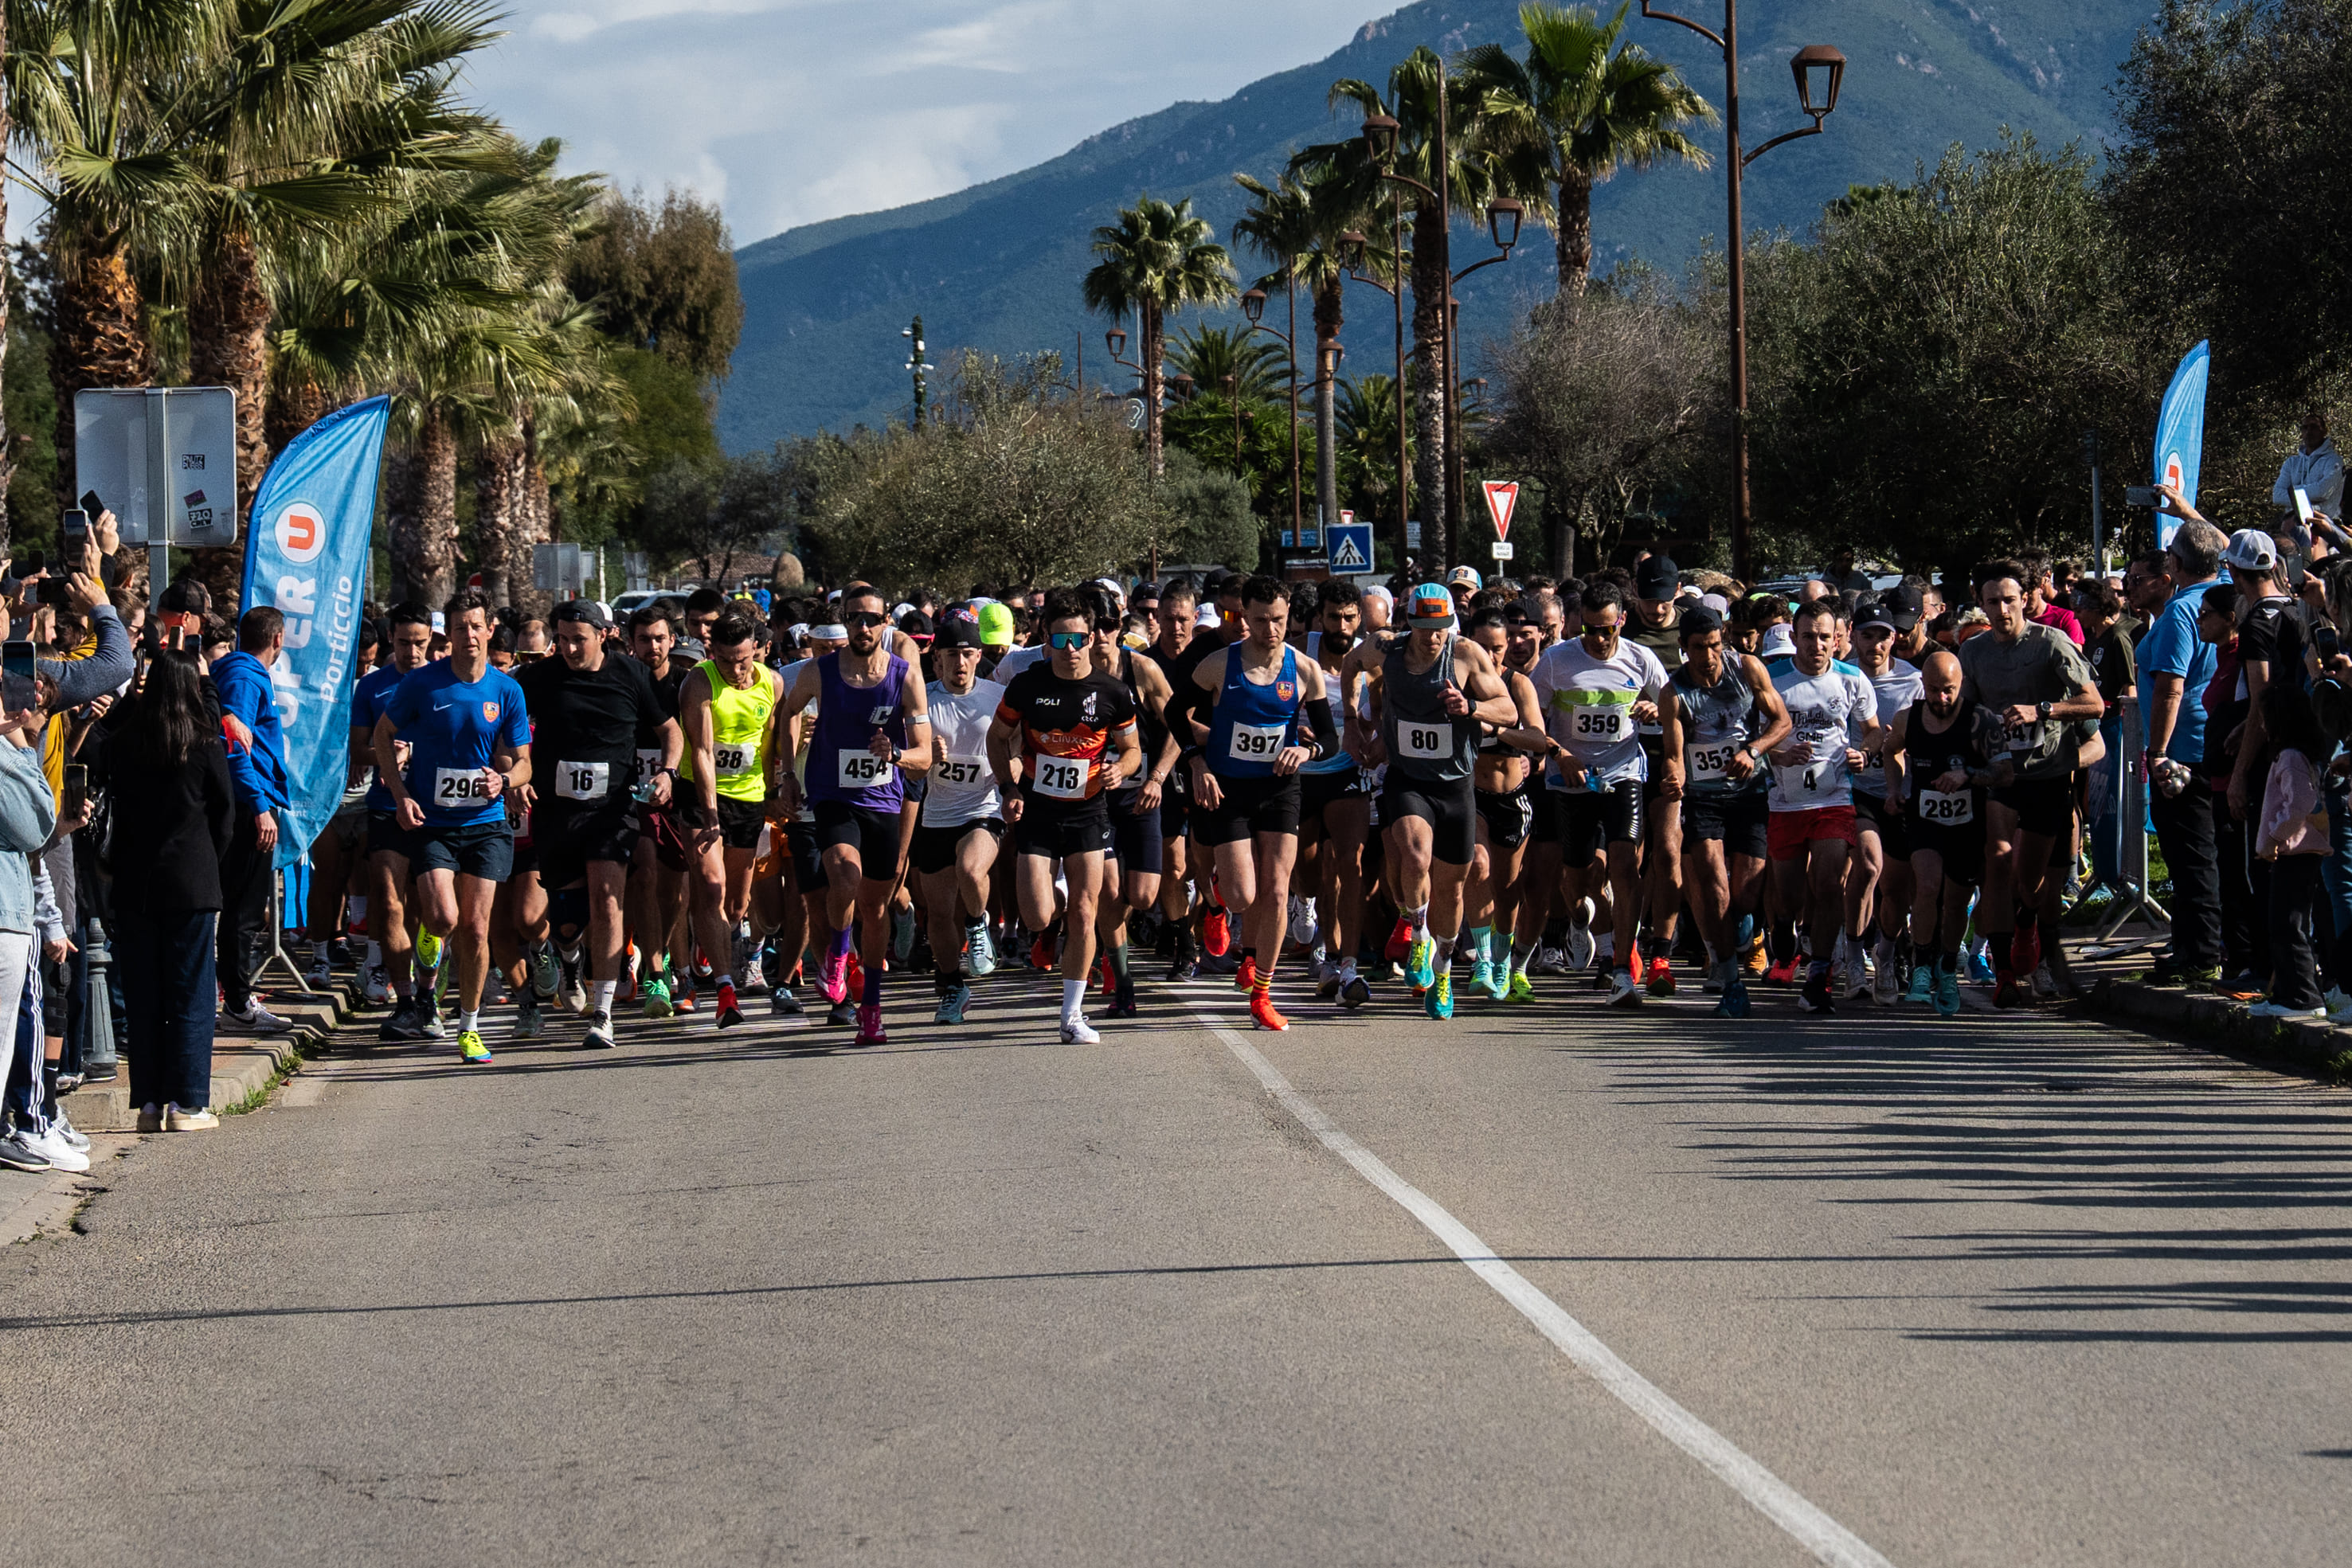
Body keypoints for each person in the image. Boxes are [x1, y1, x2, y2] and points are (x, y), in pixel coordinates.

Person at [1169, 575, 1338, 1030]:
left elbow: (1329, 735)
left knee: (1277, 890)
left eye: (1279, 620)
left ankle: (1262, 991)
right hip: (1229, 788)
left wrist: (1308, 751)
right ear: (1244, 616)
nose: (1271, 629)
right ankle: (1219, 905)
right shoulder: (1218, 665)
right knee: (1245, 895)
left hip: (1280, 787)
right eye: (1261, 620)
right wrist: (1197, 763)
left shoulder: (1304, 669)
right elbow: (1173, 713)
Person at [370, 591, 532, 1064]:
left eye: (475, 627)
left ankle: (469, 1025)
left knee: (477, 929)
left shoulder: (507, 690)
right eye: (459, 628)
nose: (468, 636)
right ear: (450, 635)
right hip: (435, 823)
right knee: (443, 919)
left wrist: (502, 780)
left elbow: (524, 764)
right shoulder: (423, 684)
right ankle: (430, 940)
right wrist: (401, 797)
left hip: (485, 823)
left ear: (489, 631)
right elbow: (383, 736)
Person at [515, 600, 679, 1050]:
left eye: (578, 639)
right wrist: (514, 772)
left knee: (609, 900)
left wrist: (668, 771)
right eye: (562, 639)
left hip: (612, 810)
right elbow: (507, 726)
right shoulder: (538, 678)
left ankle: (604, 1014)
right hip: (556, 812)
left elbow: (670, 730)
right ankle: (569, 959)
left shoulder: (630, 674)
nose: (568, 648)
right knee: (567, 924)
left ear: (603, 635)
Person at [775, 588, 931, 1046]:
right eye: (854, 620)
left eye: (871, 620)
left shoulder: (904, 677)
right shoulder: (819, 671)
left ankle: (872, 1007)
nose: (863, 628)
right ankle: (839, 956)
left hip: (882, 800)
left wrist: (897, 753)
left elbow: (923, 757)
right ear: (845, 623)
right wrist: (788, 773)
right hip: (831, 796)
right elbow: (789, 712)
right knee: (844, 871)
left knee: (876, 906)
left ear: (886, 623)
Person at [987, 588, 1143, 1043]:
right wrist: (1008, 787)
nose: (1069, 650)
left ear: (1092, 638)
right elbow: (998, 739)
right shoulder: (1028, 686)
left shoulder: (1112, 692)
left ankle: (1072, 1016)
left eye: (1077, 640)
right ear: (1045, 639)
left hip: (1089, 812)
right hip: (1037, 809)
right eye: (1059, 641)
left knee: (1086, 910)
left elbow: (1132, 750)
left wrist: (1121, 769)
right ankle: (1050, 901)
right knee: (1037, 917)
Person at [1363, 584, 1516, 1019]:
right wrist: (1362, 726)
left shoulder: (1466, 654)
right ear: (1409, 622)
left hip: (1455, 787)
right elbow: (1353, 666)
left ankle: (1444, 968)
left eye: (1442, 628)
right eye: (1426, 628)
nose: (1434, 637)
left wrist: (1470, 706)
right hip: (1408, 779)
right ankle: (1417, 935)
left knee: (1450, 888)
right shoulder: (1386, 648)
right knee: (1413, 854)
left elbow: (1508, 711)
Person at [1959, 561, 2104, 1007]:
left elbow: (2094, 703)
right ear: (1980, 605)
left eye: (2009, 599)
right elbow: (1967, 712)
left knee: (2031, 882)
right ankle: (2004, 971)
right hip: (2001, 775)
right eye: (1992, 602)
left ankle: (2027, 925)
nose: (2002, 609)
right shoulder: (1975, 652)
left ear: (2025, 599)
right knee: (1998, 862)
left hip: (2047, 775)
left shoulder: (2051, 642)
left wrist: (2041, 710)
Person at [100, 651, 233, 1132]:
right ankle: (189, 1102)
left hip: (135, 883)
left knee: (144, 994)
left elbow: (99, 753)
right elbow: (224, 816)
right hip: (193, 880)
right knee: (192, 993)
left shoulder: (125, 742)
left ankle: (151, 1103)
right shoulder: (203, 742)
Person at [1532, 579, 1680, 1007]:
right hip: (1571, 780)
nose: (1598, 639)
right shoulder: (1557, 662)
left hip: (1623, 772)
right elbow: (1531, 720)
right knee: (1577, 880)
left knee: (1623, 861)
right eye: (1590, 630)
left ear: (1622, 622)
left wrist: (1657, 709)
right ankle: (1581, 920)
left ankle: (1621, 968)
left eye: (1607, 629)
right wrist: (1559, 755)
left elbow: (1674, 710)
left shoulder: (1641, 659)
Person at [1666, 604, 1790, 1017]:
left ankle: (1742, 934)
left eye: (1715, 645)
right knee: (1714, 881)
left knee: (1746, 892)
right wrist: (1675, 777)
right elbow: (1674, 753)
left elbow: (1782, 722)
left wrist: (1753, 751)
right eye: (1699, 647)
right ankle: (1731, 982)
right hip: (1705, 799)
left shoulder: (1748, 669)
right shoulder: (1674, 693)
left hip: (1749, 792)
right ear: (1685, 648)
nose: (1709, 655)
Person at [1765, 598, 1880, 1014]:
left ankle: (1818, 975)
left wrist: (1863, 753)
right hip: (1786, 801)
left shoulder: (1852, 680)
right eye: (1809, 637)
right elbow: (1755, 738)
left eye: (1825, 637)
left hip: (1834, 797)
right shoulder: (1775, 680)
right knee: (1790, 895)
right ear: (1794, 638)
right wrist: (1776, 755)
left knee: (1830, 884)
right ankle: (1783, 926)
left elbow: (1873, 731)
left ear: (1839, 639)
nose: (1817, 645)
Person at [2139, 499, 2232, 988]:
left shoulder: (2182, 611)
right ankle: (2203, 944)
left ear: (2174, 566)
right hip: (2212, 736)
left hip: (2185, 746)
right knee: (2208, 851)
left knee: (2190, 853)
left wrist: (2157, 751)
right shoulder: (2227, 591)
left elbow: (2171, 685)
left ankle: (2201, 952)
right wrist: (2185, 510)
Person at [683, 609, 787, 1032]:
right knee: (710, 887)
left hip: (749, 798)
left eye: (743, 659)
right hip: (702, 796)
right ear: (713, 653)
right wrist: (709, 809)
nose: (735, 669)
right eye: (726, 660)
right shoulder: (699, 682)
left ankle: (711, 947)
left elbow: (772, 746)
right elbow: (704, 751)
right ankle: (726, 990)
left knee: (736, 904)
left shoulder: (772, 683)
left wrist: (775, 792)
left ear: (757, 650)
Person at [1881, 649, 1991, 1018]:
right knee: (1927, 886)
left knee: (1957, 901)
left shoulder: (1978, 721)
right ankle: (1922, 964)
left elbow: (2005, 772)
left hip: (1968, 822)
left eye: (1949, 690)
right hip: (1925, 817)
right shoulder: (1908, 719)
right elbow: (1891, 750)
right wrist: (1895, 789)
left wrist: (1969, 775)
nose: (1941, 699)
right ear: (1922, 686)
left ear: (1961, 685)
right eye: (1933, 690)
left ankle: (1947, 963)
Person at [914, 608, 1005, 1025]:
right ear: (937, 659)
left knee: (971, 870)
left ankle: (977, 924)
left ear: (979, 654)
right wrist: (923, 756)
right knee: (936, 914)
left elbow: (1018, 750)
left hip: (983, 808)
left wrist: (1015, 784)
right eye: (951, 654)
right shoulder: (923, 701)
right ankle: (953, 987)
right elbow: (906, 758)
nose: (960, 662)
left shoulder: (997, 697)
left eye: (968, 653)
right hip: (935, 815)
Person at [1090, 589, 1178, 1019]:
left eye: (1110, 626)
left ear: (1119, 628)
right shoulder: (1068, 675)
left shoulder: (1142, 670)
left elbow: (1177, 727)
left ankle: (1107, 936)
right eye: (1094, 627)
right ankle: (1123, 982)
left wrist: (1158, 777)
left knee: (1142, 896)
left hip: (1141, 795)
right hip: (1092, 802)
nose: (1102, 635)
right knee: (1108, 890)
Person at [208, 607, 295, 1035]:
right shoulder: (244, 675)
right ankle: (238, 1004)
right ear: (277, 640)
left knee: (244, 906)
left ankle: (234, 997)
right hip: (247, 806)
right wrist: (260, 806)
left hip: (252, 800)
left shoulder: (243, 672)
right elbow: (234, 742)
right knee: (242, 908)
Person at [353, 604, 435, 1034]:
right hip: (387, 807)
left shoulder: (447, 682)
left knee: (432, 913)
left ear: (432, 640)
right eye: (404, 643)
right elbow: (359, 749)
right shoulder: (372, 687)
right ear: (391, 641)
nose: (412, 651)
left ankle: (428, 993)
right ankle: (404, 1000)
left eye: (420, 643)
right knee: (389, 903)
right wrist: (388, 754)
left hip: (438, 815)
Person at [1847, 597, 1923, 1003]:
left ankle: (1887, 954)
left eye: (1883, 636)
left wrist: (1906, 737)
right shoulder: (1840, 676)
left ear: (1895, 638)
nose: (1875, 644)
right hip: (1856, 789)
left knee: (1898, 888)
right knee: (1868, 864)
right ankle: (1855, 954)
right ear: (1854, 637)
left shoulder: (1913, 682)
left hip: (1903, 792)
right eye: (1867, 635)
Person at [2250, 675, 2331, 1019]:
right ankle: (2286, 993)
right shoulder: (2294, 756)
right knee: (2282, 923)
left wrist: (2273, 834)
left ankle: (2303, 999)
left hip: (2296, 851)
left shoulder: (2290, 757)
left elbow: (2299, 804)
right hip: (2293, 850)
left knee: (2289, 924)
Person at [2273, 411, 2344, 523]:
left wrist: (2292, 492)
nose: (2309, 432)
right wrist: (2311, 493)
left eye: (2314, 427)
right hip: (2294, 525)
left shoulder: (2334, 461)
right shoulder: (2292, 463)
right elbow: (2277, 496)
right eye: (2305, 428)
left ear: (2324, 431)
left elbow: (2322, 492)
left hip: (2325, 524)